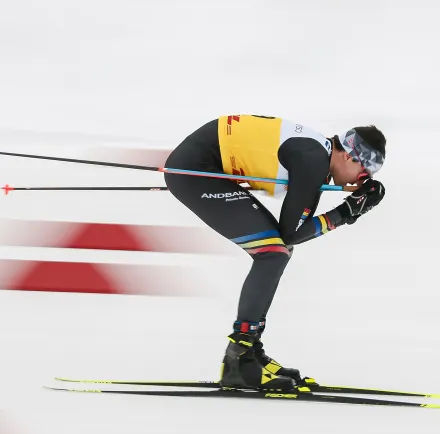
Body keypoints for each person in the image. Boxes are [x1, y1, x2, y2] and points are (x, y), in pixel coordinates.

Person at [164, 115, 387, 392]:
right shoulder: (313, 160)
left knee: (278, 250)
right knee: (273, 252)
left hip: (202, 162)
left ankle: (249, 351)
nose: (362, 181)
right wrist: (346, 212)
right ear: (349, 157)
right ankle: (240, 358)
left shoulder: (317, 155)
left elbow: (292, 231)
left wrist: (347, 211)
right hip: (195, 169)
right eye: (365, 173)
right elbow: (292, 233)